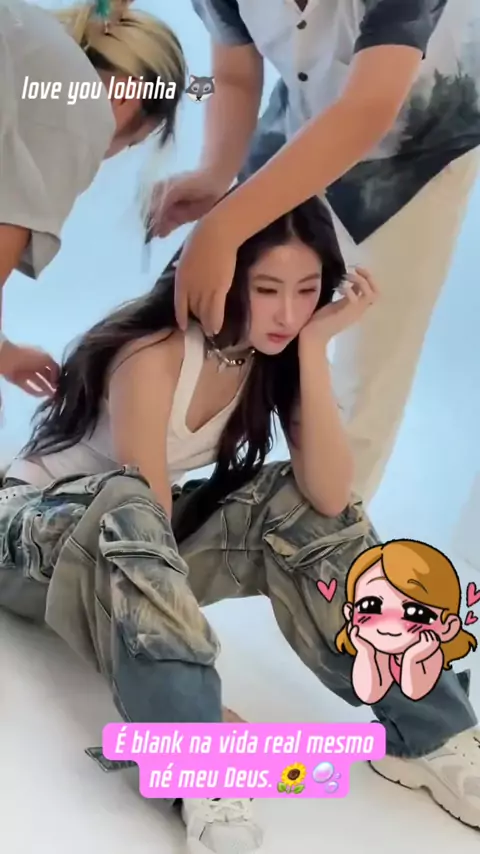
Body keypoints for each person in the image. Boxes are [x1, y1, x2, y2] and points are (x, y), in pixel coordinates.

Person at [0, 194, 479, 852]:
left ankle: (434, 733)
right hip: (29, 540)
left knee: (294, 500)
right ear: (223, 277)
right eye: (267, 288)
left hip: (133, 542)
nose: (287, 312)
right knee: (131, 501)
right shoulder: (153, 353)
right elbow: (144, 521)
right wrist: (198, 702)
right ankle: (194, 750)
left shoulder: (269, 359)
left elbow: (329, 496)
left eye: (307, 291)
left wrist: (314, 347)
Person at [148, 0, 480, 502]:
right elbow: (235, 74)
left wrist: (224, 226)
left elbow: (368, 106)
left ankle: (327, 531)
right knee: (210, 307)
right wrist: (216, 173)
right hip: (301, 120)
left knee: (369, 369)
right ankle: (149, 491)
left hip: (420, 149)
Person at [0, 0, 185, 397]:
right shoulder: (81, 108)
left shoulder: (26, 41)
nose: (105, 154)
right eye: (129, 142)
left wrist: (4, 352)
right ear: (124, 96)